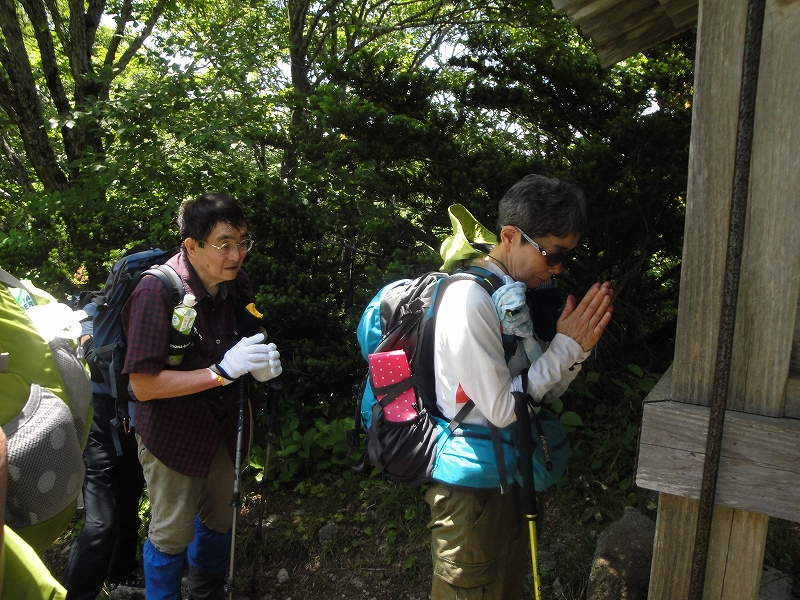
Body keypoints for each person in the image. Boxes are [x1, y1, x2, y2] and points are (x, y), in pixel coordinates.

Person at [426, 174, 614, 599]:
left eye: (566, 256)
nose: (558, 268)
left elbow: (538, 393)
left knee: (507, 587)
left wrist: (575, 350)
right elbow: (502, 408)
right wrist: (565, 349)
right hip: (473, 489)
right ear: (510, 236)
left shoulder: (512, 294)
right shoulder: (469, 299)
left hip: (513, 469)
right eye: (553, 254)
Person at [121, 193, 282, 600]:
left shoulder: (237, 283)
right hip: (173, 434)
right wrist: (220, 373)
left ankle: (207, 593)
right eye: (224, 244)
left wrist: (261, 359)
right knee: (171, 534)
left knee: (220, 519)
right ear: (191, 246)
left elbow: (250, 333)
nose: (237, 255)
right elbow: (142, 385)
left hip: (226, 427)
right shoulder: (156, 291)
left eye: (242, 242)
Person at [62, 298, 146, 599]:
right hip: (110, 417)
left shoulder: (132, 307)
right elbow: (95, 363)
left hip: (122, 415)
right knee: (102, 519)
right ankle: (77, 592)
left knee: (126, 506)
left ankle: (120, 572)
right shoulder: (97, 311)